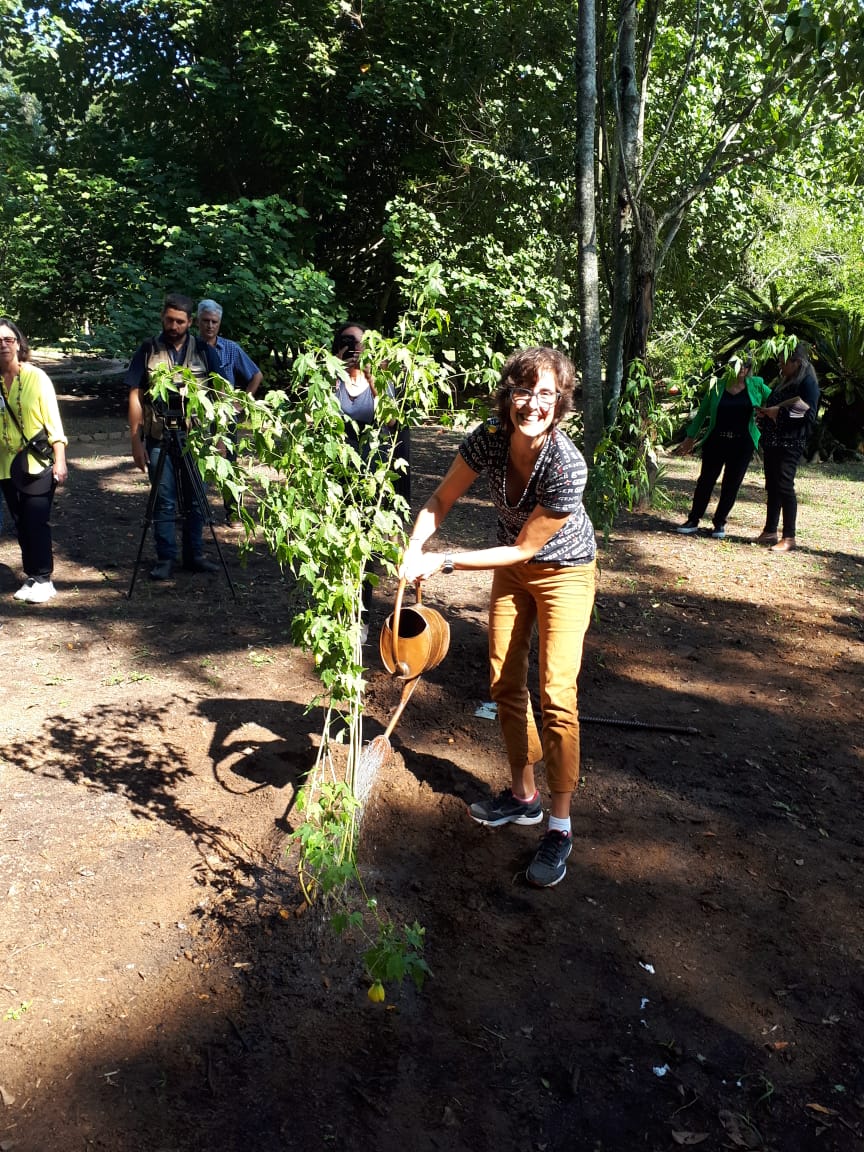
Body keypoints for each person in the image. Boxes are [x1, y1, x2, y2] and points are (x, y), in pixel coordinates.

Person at [400, 347, 596, 889]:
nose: (533, 404)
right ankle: (524, 796)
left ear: (561, 401)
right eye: (524, 391)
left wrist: (443, 560)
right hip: (513, 571)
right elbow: (440, 499)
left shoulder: (566, 465)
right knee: (505, 681)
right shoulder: (489, 438)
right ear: (508, 394)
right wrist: (415, 545)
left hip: (563, 573)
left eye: (546, 394)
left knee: (556, 693)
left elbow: (524, 548)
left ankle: (559, 827)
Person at [126, 293, 222, 580]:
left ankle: (195, 555)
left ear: (190, 322)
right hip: (158, 437)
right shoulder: (148, 349)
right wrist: (135, 441)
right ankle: (165, 558)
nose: (174, 326)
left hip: (196, 438)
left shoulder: (204, 351)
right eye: (169, 320)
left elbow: (220, 396)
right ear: (162, 318)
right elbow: (135, 395)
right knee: (163, 499)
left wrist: (218, 437)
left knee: (196, 499)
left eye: (180, 321)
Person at [332, 322, 410, 643]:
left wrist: (373, 378)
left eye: (361, 342)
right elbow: (316, 419)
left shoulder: (380, 380)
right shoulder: (329, 378)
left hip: (370, 479)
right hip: (336, 478)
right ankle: (336, 617)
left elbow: (393, 422)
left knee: (363, 552)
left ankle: (360, 618)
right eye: (348, 341)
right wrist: (333, 372)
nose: (355, 347)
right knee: (335, 548)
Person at [0, 317, 68, 603]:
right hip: (5, 465)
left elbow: (53, 421)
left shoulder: (36, 377)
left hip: (36, 462)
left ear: (18, 344)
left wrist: (60, 460)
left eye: (8, 339)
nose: (3, 345)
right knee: (20, 521)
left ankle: (44, 578)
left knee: (36, 519)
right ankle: (32, 575)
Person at [673, 360, 771, 539]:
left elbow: (775, 400)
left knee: (731, 484)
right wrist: (690, 437)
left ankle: (719, 523)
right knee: (706, 480)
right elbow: (702, 413)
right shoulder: (717, 385)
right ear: (730, 367)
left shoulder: (756, 385)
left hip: (742, 443)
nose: (742, 369)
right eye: (738, 365)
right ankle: (693, 520)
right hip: (716, 440)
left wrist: (767, 412)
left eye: (746, 366)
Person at [196, 299, 263, 524]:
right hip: (196, 416)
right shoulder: (189, 347)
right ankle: (196, 513)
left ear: (219, 323)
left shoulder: (230, 348)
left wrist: (241, 403)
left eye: (214, 322)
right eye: (206, 321)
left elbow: (256, 375)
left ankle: (233, 513)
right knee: (198, 463)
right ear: (197, 321)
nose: (210, 326)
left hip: (225, 415)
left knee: (229, 464)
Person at [754, 342, 820, 553]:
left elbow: (809, 414)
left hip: (790, 443)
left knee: (784, 486)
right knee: (772, 486)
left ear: (796, 362)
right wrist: (765, 413)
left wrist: (779, 412)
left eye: (783, 361)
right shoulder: (784, 381)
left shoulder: (807, 383)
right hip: (773, 441)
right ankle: (770, 530)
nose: (780, 365)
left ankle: (789, 537)